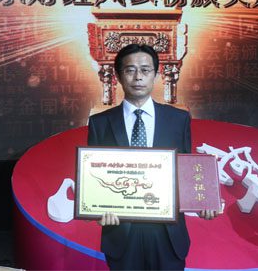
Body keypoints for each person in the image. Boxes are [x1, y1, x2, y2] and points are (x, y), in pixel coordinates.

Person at [87, 44, 217, 270]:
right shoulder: (100, 122)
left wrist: (202, 201)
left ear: (156, 75)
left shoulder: (178, 119)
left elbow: (185, 168)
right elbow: (94, 175)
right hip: (121, 231)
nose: (138, 77)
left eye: (145, 70)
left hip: (167, 233)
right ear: (118, 75)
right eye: (130, 70)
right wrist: (97, 210)